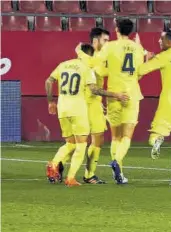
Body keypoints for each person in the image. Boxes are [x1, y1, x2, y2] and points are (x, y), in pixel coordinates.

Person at [45, 44, 128, 186]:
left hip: (62, 109)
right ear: (89, 56)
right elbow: (95, 90)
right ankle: (71, 178)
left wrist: (50, 101)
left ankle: (54, 163)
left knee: (70, 143)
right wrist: (115, 95)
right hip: (78, 110)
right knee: (81, 145)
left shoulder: (63, 65)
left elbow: (48, 81)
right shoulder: (86, 69)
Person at [80, 18, 145, 184]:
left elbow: (95, 62)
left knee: (115, 137)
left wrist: (80, 53)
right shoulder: (138, 48)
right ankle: (117, 162)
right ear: (130, 31)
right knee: (127, 136)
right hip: (132, 94)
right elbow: (140, 72)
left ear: (117, 29)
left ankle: (120, 172)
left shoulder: (110, 46)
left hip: (114, 94)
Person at [138, 29, 171, 186]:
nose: (159, 42)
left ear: (170, 42)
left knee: (153, 137)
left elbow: (140, 71)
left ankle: (158, 140)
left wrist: (146, 58)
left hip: (169, 101)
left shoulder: (163, 57)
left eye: (162, 39)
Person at [82, 27, 110, 184]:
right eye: (105, 40)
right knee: (97, 140)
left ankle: (56, 165)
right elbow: (103, 72)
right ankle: (89, 174)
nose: (108, 43)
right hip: (91, 103)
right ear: (96, 40)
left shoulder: (84, 54)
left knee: (76, 141)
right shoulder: (95, 58)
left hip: (86, 102)